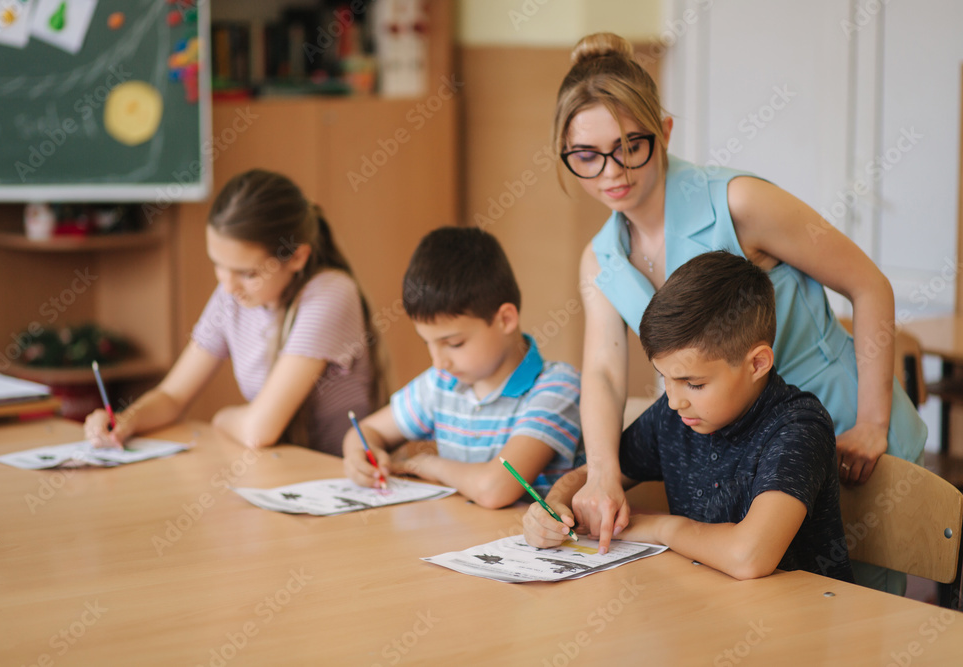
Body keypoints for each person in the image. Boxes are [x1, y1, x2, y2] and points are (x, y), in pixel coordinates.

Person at [555, 32, 925, 592]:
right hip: (735, 455)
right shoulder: (600, 260)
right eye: (587, 156)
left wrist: (873, 422)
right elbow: (604, 373)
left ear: (666, 130)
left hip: (846, 433)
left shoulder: (739, 202)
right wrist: (602, 472)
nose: (613, 171)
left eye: (632, 144)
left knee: (858, 611)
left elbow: (868, 285)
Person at [524, 251, 854, 582]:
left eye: (693, 383)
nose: (673, 401)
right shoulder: (677, 415)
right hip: (708, 607)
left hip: (799, 620)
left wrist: (659, 526)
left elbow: (749, 556)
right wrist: (553, 509)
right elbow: (591, 476)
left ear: (757, 364)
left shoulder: (798, 428)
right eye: (664, 378)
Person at [85, 169, 385, 456]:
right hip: (280, 476)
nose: (227, 287)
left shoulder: (330, 293)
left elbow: (258, 431)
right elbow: (173, 396)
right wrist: (128, 419)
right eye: (218, 264)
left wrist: (221, 418)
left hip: (335, 481)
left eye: (248, 273)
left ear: (296, 258)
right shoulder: (235, 295)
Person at [342, 226, 582, 509]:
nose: (438, 362)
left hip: (528, 546)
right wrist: (361, 456)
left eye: (454, 344)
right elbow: (366, 430)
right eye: (427, 344)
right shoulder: (441, 383)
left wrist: (429, 465)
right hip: (458, 543)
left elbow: (495, 488)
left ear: (505, 319)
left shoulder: (557, 387)